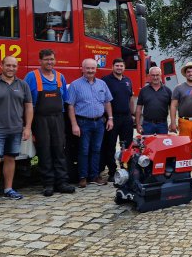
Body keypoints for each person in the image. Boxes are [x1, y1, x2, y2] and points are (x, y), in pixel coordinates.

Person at [0, 56, 33, 209]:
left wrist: (27, 127)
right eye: (8, 65)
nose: (11, 68)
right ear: (1, 66)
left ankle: (8, 189)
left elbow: (29, 107)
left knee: (10, 159)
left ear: (17, 67)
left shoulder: (23, 85)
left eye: (14, 66)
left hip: (16, 130)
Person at [24, 49, 74, 197]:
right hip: (40, 120)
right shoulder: (32, 77)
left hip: (58, 119)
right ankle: (48, 184)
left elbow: (65, 100)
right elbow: (27, 103)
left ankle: (62, 182)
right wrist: (29, 126)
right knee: (44, 151)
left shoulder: (60, 77)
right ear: (40, 61)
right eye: (46, 59)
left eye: (52, 59)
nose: (49, 62)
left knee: (59, 150)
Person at [67, 58, 113, 188]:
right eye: (88, 68)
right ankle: (82, 177)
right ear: (82, 69)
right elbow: (70, 106)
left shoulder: (102, 84)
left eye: (93, 68)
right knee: (84, 150)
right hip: (83, 122)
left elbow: (107, 102)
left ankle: (94, 176)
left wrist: (110, 118)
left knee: (97, 150)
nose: (90, 71)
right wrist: (74, 124)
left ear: (96, 69)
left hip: (99, 122)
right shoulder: (75, 85)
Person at [100, 58, 135, 181]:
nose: (119, 68)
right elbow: (104, 100)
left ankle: (125, 168)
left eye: (121, 66)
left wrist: (132, 114)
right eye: (117, 66)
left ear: (124, 68)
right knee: (109, 145)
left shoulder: (128, 80)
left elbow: (131, 98)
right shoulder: (105, 80)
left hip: (126, 118)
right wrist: (107, 117)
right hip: (112, 118)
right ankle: (112, 171)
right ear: (112, 67)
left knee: (127, 145)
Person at [135, 66, 173, 135]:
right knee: (147, 145)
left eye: (157, 75)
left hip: (162, 125)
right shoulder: (143, 90)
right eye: (153, 75)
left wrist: (173, 122)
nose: (155, 77)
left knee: (162, 145)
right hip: (147, 125)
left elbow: (172, 108)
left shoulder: (168, 91)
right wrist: (138, 124)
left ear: (160, 75)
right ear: (149, 76)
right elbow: (138, 108)